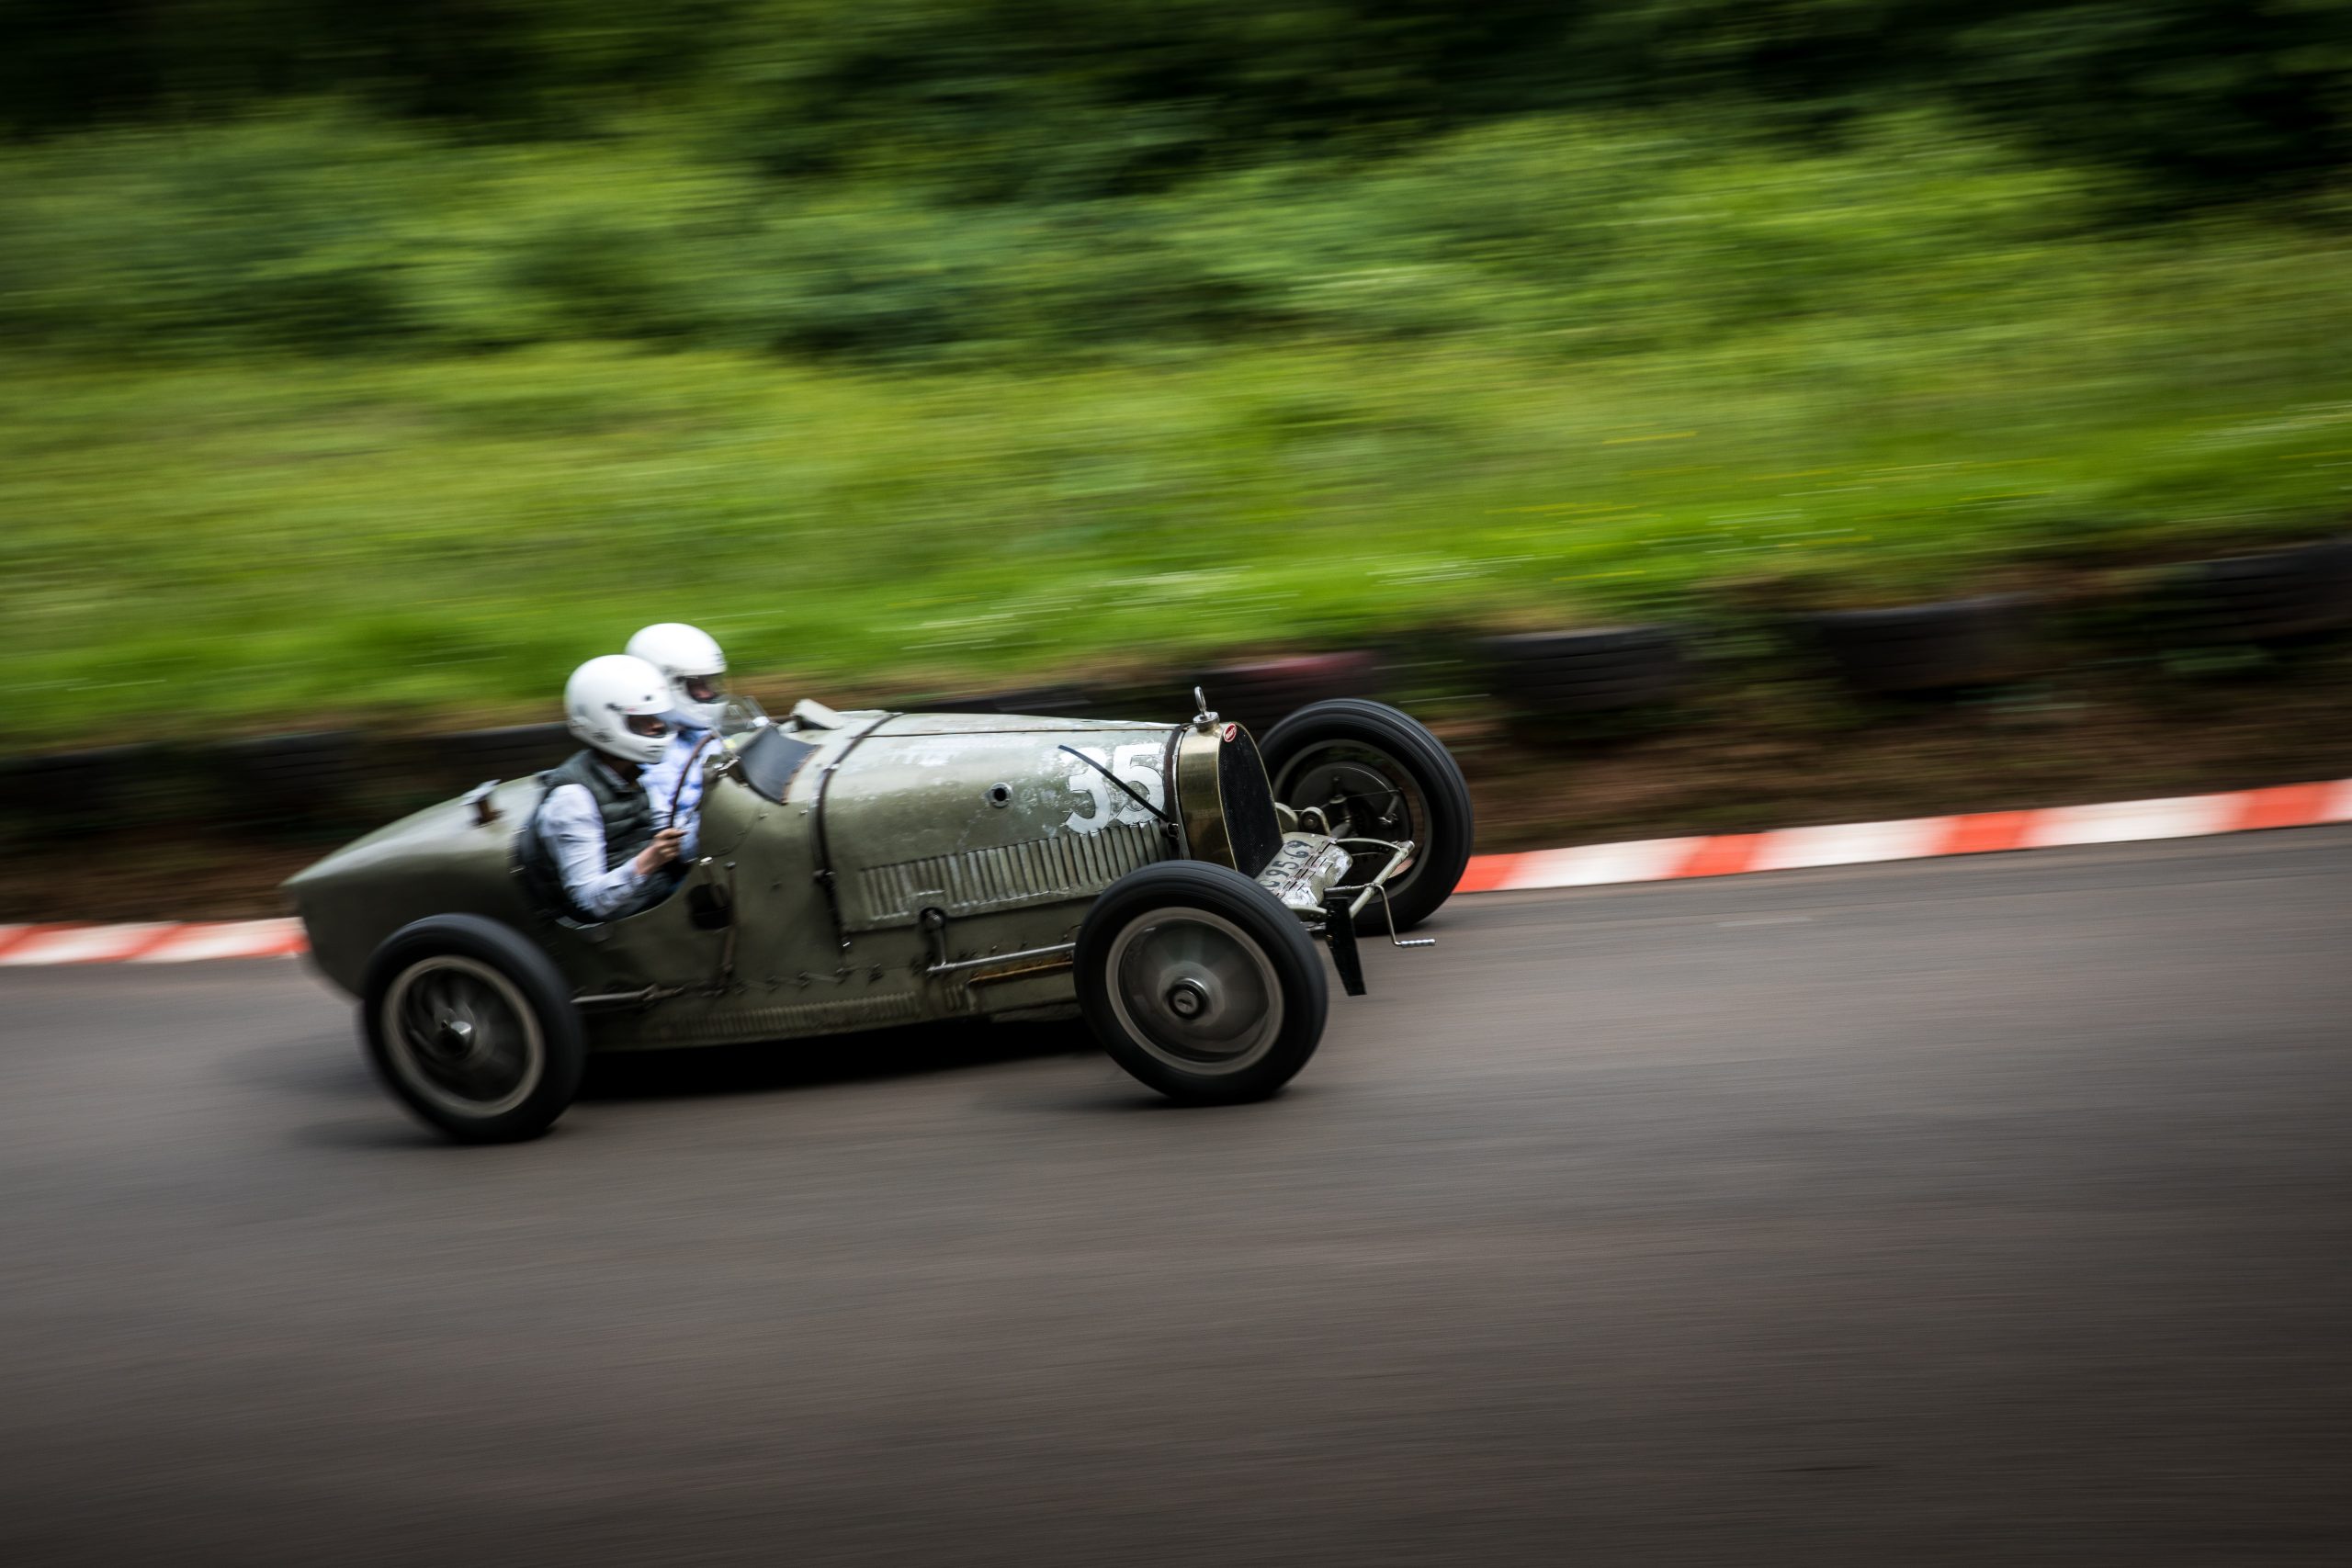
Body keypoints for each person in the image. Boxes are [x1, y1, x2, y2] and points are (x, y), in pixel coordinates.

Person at [521, 654, 685, 921]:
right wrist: (652, 858)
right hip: (633, 921)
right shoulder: (573, 799)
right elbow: (590, 901)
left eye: (657, 716)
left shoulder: (632, 772)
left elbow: (667, 825)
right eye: (642, 720)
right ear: (607, 722)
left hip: (660, 894)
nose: (657, 725)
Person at [628, 622, 729, 858]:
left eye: (710, 682)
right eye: (696, 684)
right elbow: (678, 846)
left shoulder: (702, 730)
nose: (708, 693)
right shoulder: (649, 759)